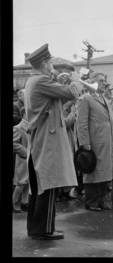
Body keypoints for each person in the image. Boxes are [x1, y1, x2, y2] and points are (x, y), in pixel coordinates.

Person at [24, 43, 81, 240]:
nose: (52, 67)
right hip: (46, 140)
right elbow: (71, 93)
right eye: (49, 62)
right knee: (49, 183)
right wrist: (75, 79)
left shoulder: (35, 81)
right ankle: (45, 230)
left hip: (40, 138)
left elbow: (56, 102)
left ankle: (35, 228)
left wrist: (60, 84)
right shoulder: (40, 81)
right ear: (43, 63)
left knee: (39, 185)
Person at [76, 72, 113, 211]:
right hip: (95, 142)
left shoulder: (104, 99)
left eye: (104, 80)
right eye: (101, 81)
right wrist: (85, 142)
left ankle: (101, 200)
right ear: (93, 83)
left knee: (105, 173)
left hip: (107, 142)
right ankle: (91, 202)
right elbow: (81, 122)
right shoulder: (86, 99)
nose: (104, 83)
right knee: (93, 172)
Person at [12, 107, 29, 213]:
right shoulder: (18, 128)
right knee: (21, 183)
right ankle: (14, 203)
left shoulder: (31, 125)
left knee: (27, 182)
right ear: (23, 115)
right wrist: (26, 152)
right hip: (23, 159)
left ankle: (24, 202)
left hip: (30, 158)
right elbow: (14, 144)